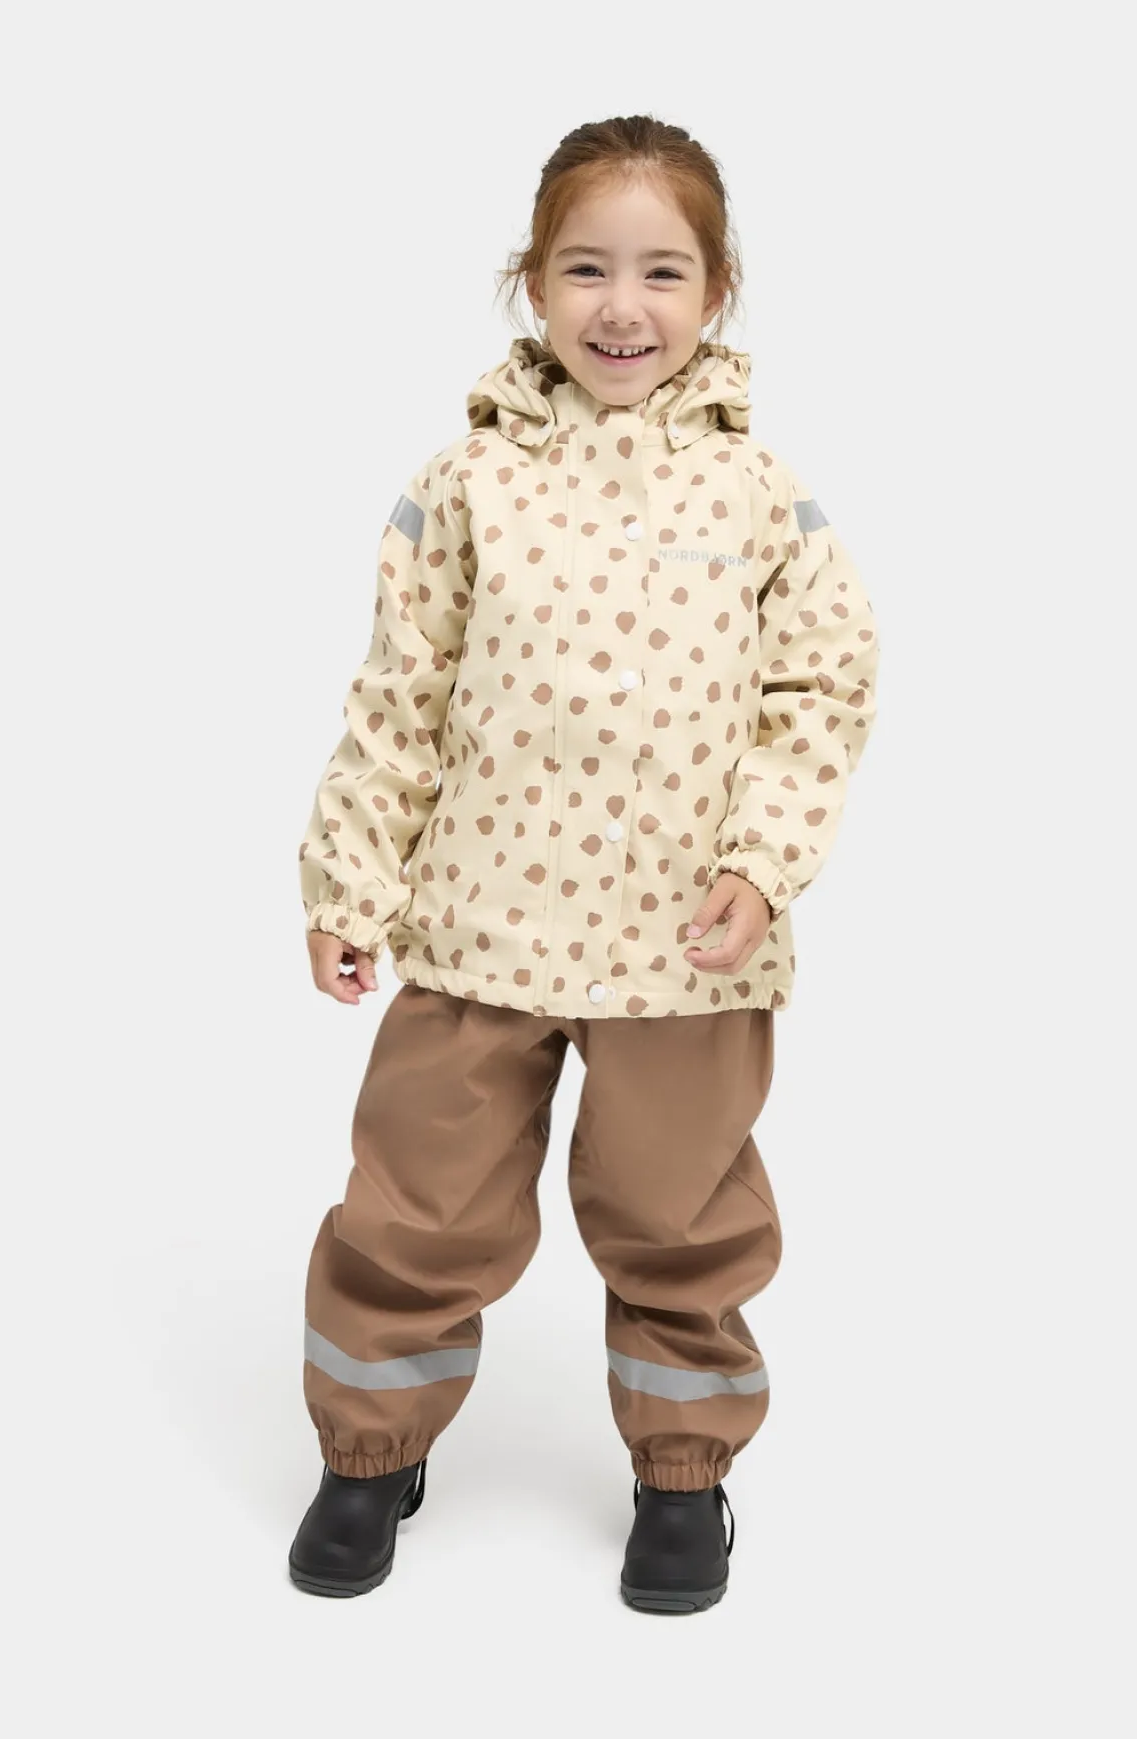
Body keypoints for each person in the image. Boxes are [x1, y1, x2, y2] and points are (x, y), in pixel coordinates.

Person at [288, 113, 880, 1614]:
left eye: (663, 271)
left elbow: (821, 691)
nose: (625, 306)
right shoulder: (466, 482)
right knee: (416, 1206)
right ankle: (370, 1451)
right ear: (534, 283)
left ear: (717, 290)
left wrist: (763, 865)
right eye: (587, 269)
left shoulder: (763, 495)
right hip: (478, 928)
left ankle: (682, 1475)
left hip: (687, 946)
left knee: (682, 1221)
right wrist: (351, 882)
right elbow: (399, 697)